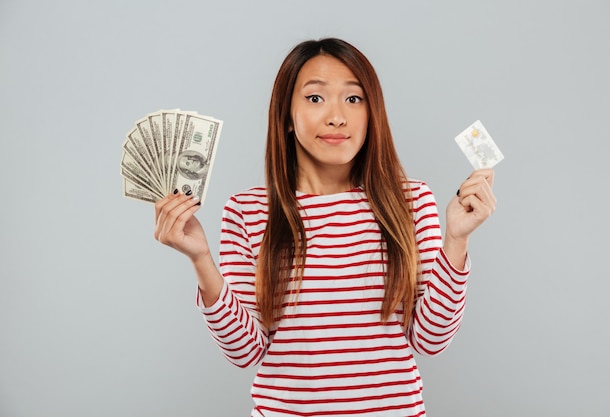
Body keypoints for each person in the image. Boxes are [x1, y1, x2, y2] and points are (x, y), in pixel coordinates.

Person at [154, 38, 496, 417]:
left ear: (372, 113)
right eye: (315, 98)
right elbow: (245, 351)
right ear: (286, 115)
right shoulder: (248, 211)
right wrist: (201, 260)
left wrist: (456, 239)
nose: (337, 117)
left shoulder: (411, 202)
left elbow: (431, 340)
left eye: (354, 99)